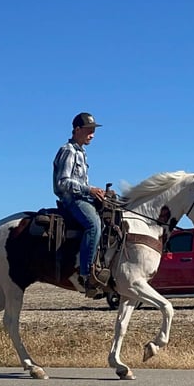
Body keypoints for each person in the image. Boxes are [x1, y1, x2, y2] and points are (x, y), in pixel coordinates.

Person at [52, 112, 110, 297]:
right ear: (78, 130)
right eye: (89, 131)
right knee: (93, 225)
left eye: (93, 131)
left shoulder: (81, 152)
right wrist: (89, 190)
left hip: (82, 197)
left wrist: (98, 193)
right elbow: (63, 182)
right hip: (72, 200)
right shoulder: (68, 150)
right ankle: (87, 274)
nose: (92, 135)